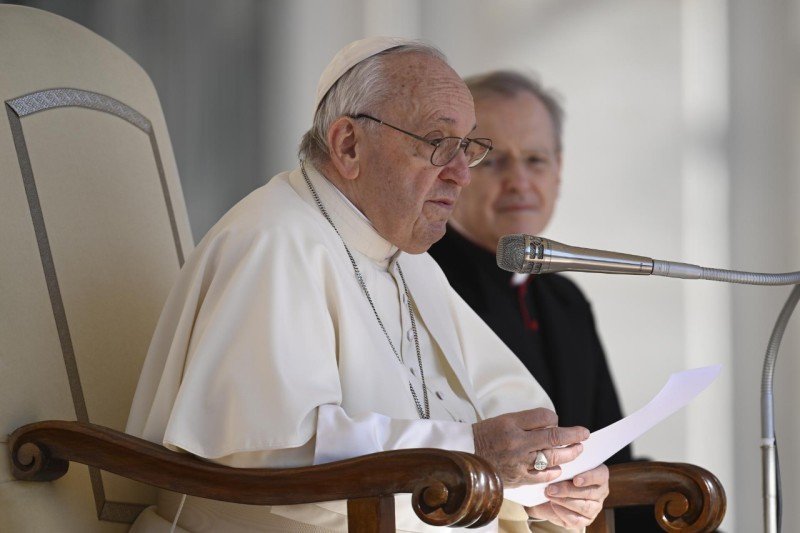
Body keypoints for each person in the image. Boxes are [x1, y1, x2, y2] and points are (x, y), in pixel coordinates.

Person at [126, 38, 608, 533]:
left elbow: (505, 414)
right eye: (439, 143)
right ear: (348, 145)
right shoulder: (273, 240)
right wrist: (472, 455)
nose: (462, 174)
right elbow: (273, 447)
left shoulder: (406, 256)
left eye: (467, 147)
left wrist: (547, 481)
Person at [427, 70, 655, 531]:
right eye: (492, 161)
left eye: (535, 159)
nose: (519, 182)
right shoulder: (426, 280)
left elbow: (615, 457)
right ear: (453, 168)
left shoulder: (563, 297)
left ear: (559, 169)